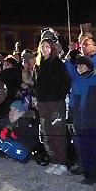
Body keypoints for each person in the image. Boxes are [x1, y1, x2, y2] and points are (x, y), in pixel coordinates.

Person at [33, 38, 71, 176]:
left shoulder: (57, 64)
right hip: (43, 103)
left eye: (48, 47)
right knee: (47, 132)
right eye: (42, 47)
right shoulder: (38, 65)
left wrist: (58, 95)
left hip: (55, 102)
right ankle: (54, 160)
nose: (45, 49)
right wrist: (36, 97)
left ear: (52, 48)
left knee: (57, 132)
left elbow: (66, 82)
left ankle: (62, 162)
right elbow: (36, 84)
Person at [68, 55, 96, 185]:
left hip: (94, 121)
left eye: (81, 65)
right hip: (81, 122)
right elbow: (73, 103)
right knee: (85, 150)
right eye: (77, 66)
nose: (79, 68)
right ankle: (89, 175)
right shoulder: (77, 81)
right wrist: (70, 119)